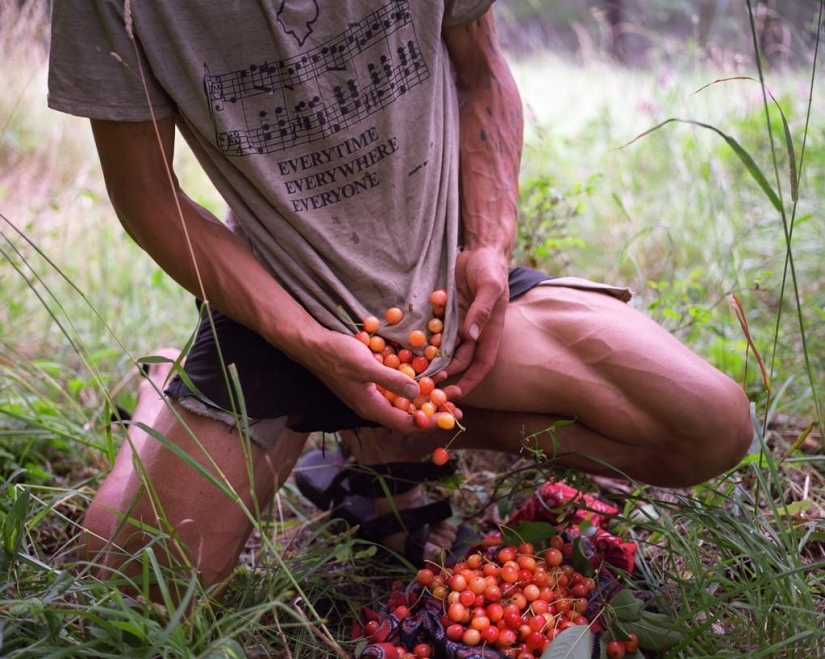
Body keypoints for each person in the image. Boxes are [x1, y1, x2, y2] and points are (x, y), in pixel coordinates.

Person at [48, 1, 753, 591]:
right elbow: (146, 193)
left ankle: (405, 425)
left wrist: (487, 244)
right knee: (133, 586)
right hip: (272, 315)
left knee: (708, 425)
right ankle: (164, 390)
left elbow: (482, 76)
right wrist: (308, 344)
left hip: (442, 294)